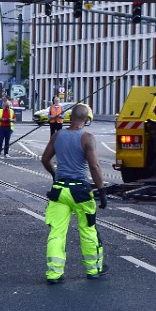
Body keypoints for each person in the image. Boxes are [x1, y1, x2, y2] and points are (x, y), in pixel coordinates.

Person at [40, 103, 107, 284]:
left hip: (60, 191)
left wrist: (55, 175)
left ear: (71, 117)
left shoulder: (57, 136)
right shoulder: (87, 138)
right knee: (88, 230)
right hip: (80, 191)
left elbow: (45, 159)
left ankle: (54, 274)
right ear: (86, 119)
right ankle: (93, 270)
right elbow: (94, 166)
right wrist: (101, 190)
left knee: (57, 231)